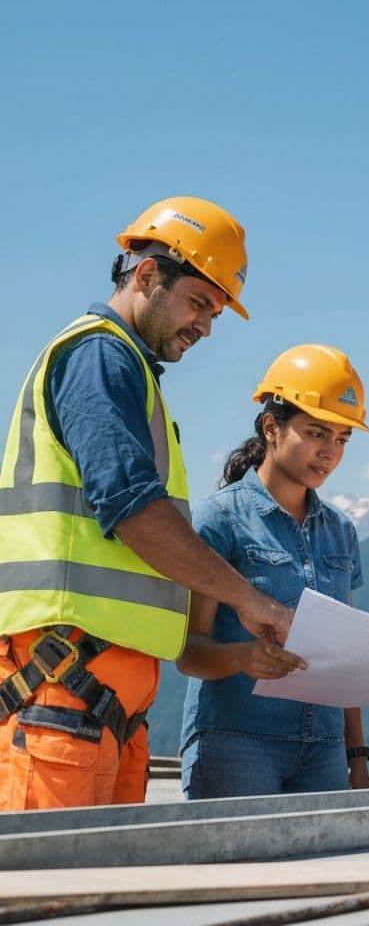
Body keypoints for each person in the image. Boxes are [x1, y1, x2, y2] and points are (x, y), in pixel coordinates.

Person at [0, 196, 292, 811]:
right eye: (199, 303)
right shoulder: (99, 358)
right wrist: (250, 598)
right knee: (55, 899)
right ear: (147, 275)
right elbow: (134, 510)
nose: (206, 326)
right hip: (61, 688)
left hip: (102, 699)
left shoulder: (128, 371)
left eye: (214, 312)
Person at [177, 344, 369, 798]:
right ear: (272, 427)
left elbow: (343, 656)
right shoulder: (219, 519)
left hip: (324, 750)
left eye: (342, 440)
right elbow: (189, 651)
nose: (330, 452)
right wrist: (243, 659)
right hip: (236, 743)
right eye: (316, 433)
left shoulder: (340, 532)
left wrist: (356, 754)